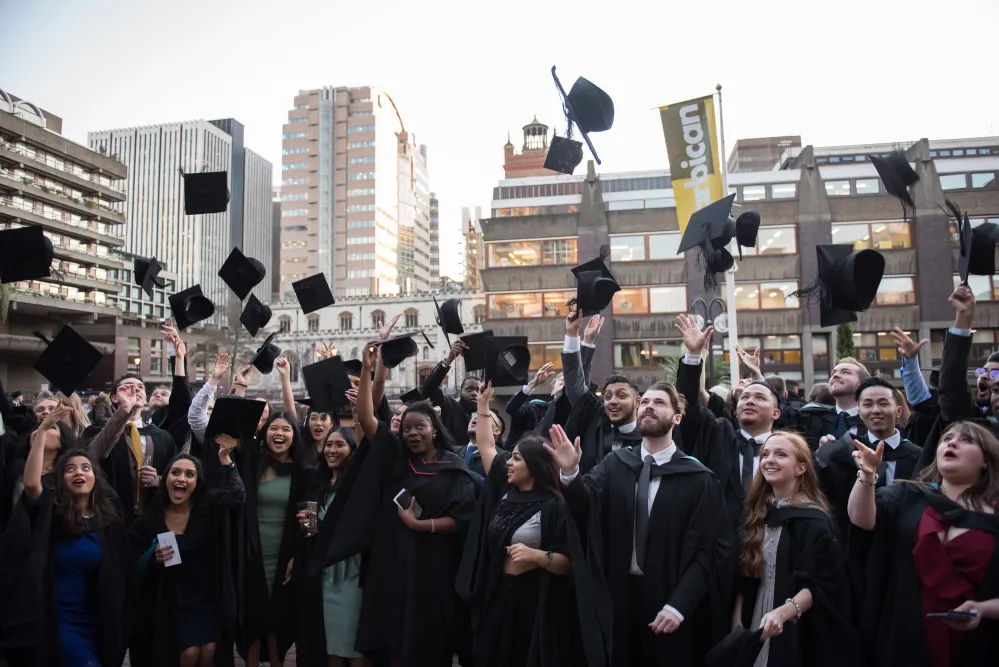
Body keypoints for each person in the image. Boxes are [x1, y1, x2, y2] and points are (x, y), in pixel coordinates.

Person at [547, 382, 734, 667]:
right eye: (645, 401)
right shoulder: (615, 464)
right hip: (619, 594)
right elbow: (585, 509)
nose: (649, 406)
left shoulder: (699, 479)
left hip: (670, 595)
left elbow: (707, 550)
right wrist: (571, 473)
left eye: (659, 402)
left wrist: (679, 605)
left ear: (677, 417)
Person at [324, 342, 475, 666]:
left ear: (434, 430)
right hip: (393, 564)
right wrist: (367, 369)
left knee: (429, 640)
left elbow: (462, 520)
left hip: (434, 569)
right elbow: (366, 416)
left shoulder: (453, 467)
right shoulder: (396, 460)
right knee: (393, 641)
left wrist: (420, 525)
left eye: (420, 427)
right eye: (407, 429)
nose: (412, 433)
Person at [457, 383, 610, 667]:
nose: (509, 463)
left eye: (516, 458)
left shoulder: (556, 506)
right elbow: (487, 446)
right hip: (498, 598)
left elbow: (572, 561)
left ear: (535, 466)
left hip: (537, 608)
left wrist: (539, 557)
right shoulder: (504, 491)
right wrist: (483, 407)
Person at [849, 420, 999, 666]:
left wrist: (983, 609)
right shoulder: (908, 496)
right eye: (947, 439)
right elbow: (861, 519)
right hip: (906, 638)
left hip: (980, 642)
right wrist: (867, 474)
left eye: (966, 440)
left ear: (986, 459)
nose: (952, 443)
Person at [0, 431, 136, 667]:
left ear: (95, 478)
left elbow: (123, 572)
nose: (79, 473)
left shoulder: (108, 522)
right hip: (55, 619)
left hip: (96, 622)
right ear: (60, 480)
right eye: (70, 469)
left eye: (86, 468)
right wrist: (42, 431)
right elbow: (31, 484)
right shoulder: (50, 513)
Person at [731, 431, 859, 667]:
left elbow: (821, 584)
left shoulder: (813, 521)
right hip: (755, 613)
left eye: (781, 454)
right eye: (766, 454)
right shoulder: (758, 512)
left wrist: (782, 613)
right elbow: (745, 573)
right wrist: (738, 620)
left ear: (801, 468)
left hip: (794, 621)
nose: (770, 460)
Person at [128, 445, 245, 667]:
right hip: (169, 603)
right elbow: (129, 563)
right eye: (176, 472)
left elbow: (238, 495)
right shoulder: (149, 521)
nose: (182, 478)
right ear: (165, 480)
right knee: (189, 654)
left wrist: (224, 458)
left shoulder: (207, 508)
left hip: (206, 597)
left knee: (210, 650)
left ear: (197, 484)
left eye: (189, 474)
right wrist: (153, 559)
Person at [675, 314, 784, 525]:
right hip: (720, 544)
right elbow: (688, 402)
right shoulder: (718, 433)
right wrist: (694, 355)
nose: (749, 401)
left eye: (760, 397)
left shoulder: (787, 447)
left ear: (776, 413)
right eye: (744, 397)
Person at [238, 411, 309, 667]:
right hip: (253, 551)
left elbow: (307, 519)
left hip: (285, 551)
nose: (279, 434)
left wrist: (296, 556)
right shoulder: (251, 463)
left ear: (294, 436)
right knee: (254, 615)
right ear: (265, 433)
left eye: (286, 429)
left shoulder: (303, 472)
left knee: (278, 617)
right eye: (274, 428)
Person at [294, 427, 368, 667]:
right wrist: (309, 525)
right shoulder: (319, 483)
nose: (332, 450)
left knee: (355, 647)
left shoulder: (357, 485)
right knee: (331, 646)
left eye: (339, 445)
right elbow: (315, 529)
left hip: (352, 572)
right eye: (329, 445)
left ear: (351, 450)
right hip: (325, 574)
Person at [815, 376, 922, 541]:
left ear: (898, 411)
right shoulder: (843, 451)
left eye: (883, 403)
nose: (876, 410)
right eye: (867, 404)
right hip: (855, 546)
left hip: (905, 544)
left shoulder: (918, 457)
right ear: (859, 412)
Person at [84, 375, 181, 524]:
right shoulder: (96, 431)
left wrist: (159, 480)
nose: (135, 390)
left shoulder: (162, 436)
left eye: (140, 387)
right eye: (127, 387)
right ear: (114, 398)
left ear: (145, 399)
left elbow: (177, 474)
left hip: (154, 519)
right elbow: (94, 454)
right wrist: (124, 410)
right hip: (110, 517)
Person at [561, 314, 643, 473]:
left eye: (621, 395)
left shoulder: (650, 436)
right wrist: (575, 336)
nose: (612, 401)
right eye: (607, 396)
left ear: (637, 402)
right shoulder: (595, 421)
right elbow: (576, 384)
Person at [421, 338, 484, 448]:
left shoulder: (489, 414)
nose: (474, 393)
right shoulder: (450, 406)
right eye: (469, 389)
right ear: (460, 391)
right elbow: (430, 388)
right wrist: (449, 360)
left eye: (478, 390)